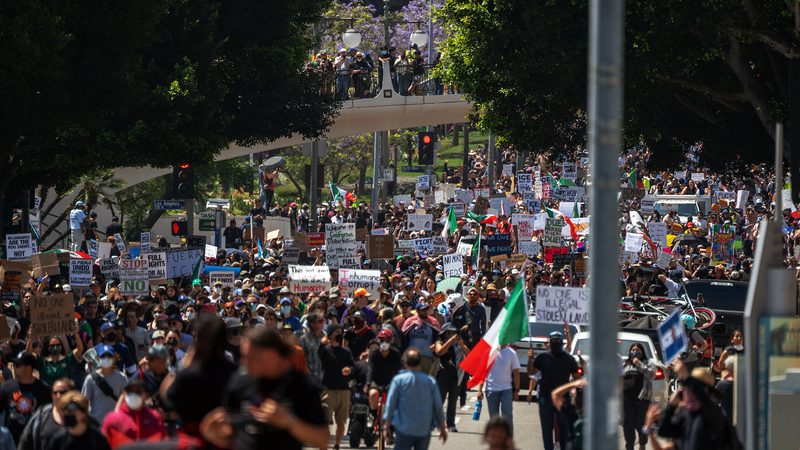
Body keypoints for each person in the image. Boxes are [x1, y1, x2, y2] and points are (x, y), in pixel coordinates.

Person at [200, 326, 329, 450]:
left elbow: (322, 439)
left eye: (250, 357)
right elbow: (232, 437)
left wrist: (288, 421)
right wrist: (213, 433)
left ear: (271, 355)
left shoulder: (301, 385)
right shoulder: (239, 381)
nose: (244, 362)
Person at [383, 347, 447, 450]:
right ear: (420, 363)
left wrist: (386, 426)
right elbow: (438, 407)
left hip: (403, 428)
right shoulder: (430, 381)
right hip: (424, 429)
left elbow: (390, 405)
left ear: (404, 362)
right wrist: (442, 428)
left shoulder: (398, 380)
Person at [529, 331, 580, 450]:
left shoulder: (568, 358)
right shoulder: (543, 358)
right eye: (553, 341)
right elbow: (531, 372)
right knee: (547, 429)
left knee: (563, 427)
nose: (555, 343)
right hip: (545, 399)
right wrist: (530, 359)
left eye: (558, 341)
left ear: (561, 342)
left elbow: (576, 377)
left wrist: (571, 388)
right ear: (550, 343)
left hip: (563, 399)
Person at [101, 379, 168, 449]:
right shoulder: (111, 419)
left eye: (138, 392)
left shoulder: (156, 418)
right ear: (124, 394)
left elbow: (164, 445)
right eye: (129, 392)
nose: (133, 395)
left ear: (145, 396)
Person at [0, 351, 52, 443]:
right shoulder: (6, 388)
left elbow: (49, 417)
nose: (14, 367)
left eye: (18, 365)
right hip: (11, 442)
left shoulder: (44, 389)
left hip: (35, 442)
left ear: (29, 368)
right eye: (14, 364)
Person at [317, 324, 354, 450]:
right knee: (325, 421)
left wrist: (349, 369)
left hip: (343, 390)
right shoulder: (326, 350)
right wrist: (321, 344)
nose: (340, 334)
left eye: (341, 331)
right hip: (328, 390)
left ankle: (337, 445)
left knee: (341, 422)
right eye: (337, 332)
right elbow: (319, 354)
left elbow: (352, 365)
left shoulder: (346, 351)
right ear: (331, 334)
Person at [18, 379, 77, 450]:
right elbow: (25, 441)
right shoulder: (41, 414)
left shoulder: (81, 417)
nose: (58, 396)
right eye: (55, 393)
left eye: (63, 392)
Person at [434, 323, 470, 432]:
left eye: (453, 332)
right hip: (443, 374)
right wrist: (450, 341)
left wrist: (462, 344)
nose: (451, 334)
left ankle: (450, 424)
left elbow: (469, 354)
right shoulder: (440, 342)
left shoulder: (458, 344)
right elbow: (440, 352)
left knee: (453, 400)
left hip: (456, 374)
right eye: (448, 332)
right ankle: (437, 422)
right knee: (440, 399)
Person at [477, 344, 520, 436]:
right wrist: (479, 389)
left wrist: (516, 390)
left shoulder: (511, 353)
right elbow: (483, 372)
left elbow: (516, 373)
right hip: (491, 390)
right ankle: (496, 443)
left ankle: (508, 442)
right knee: (494, 420)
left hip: (506, 389)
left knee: (507, 416)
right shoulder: (489, 352)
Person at [45, 392, 111, 450]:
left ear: (83, 414)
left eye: (71, 412)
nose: (67, 415)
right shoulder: (58, 439)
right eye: (65, 412)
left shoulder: (97, 439)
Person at [622, 343, 656, 450]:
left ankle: (642, 443)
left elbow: (651, 375)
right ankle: (629, 447)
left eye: (638, 350)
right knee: (628, 426)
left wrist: (638, 364)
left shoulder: (648, 362)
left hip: (642, 400)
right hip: (627, 401)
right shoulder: (625, 364)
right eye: (633, 350)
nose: (635, 352)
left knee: (642, 425)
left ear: (642, 352)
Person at [81, 344, 127, 424]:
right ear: (98, 358)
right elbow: (84, 402)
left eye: (109, 356)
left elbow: (125, 400)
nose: (106, 359)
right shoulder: (90, 379)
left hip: (115, 423)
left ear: (114, 359)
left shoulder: (122, 378)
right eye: (103, 356)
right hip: (96, 424)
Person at [27, 323, 84, 387]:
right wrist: (31, 337)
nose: (55, 347)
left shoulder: (68, 360)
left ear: (61, 346)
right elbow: (29, 354)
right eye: (52, 345)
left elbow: (79, 350)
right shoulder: (42, 361)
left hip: (64, 395)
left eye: (58, 345)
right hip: (47, 395)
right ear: (48, 347)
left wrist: (76, 333)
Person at [367, 329, 403, 411]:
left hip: (390, 381)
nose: (384, 343)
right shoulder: (373, 353)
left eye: (387, 341)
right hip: (376, 381)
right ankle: (373, 414)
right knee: (373, 394)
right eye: (382, 340)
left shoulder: (395, 353)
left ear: (391, 341)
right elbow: (371, 368)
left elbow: (397, 370)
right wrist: (368, 382)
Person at [401, 303, 440, 375]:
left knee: (425, 383)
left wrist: (435, 344)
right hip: (412, 357)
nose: (425, 311)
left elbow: (439, 337)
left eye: (426, 309)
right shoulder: (410, 321)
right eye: (423, 310)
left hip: (427, 358)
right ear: (417, 311)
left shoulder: (433, 322)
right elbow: (403, 338)